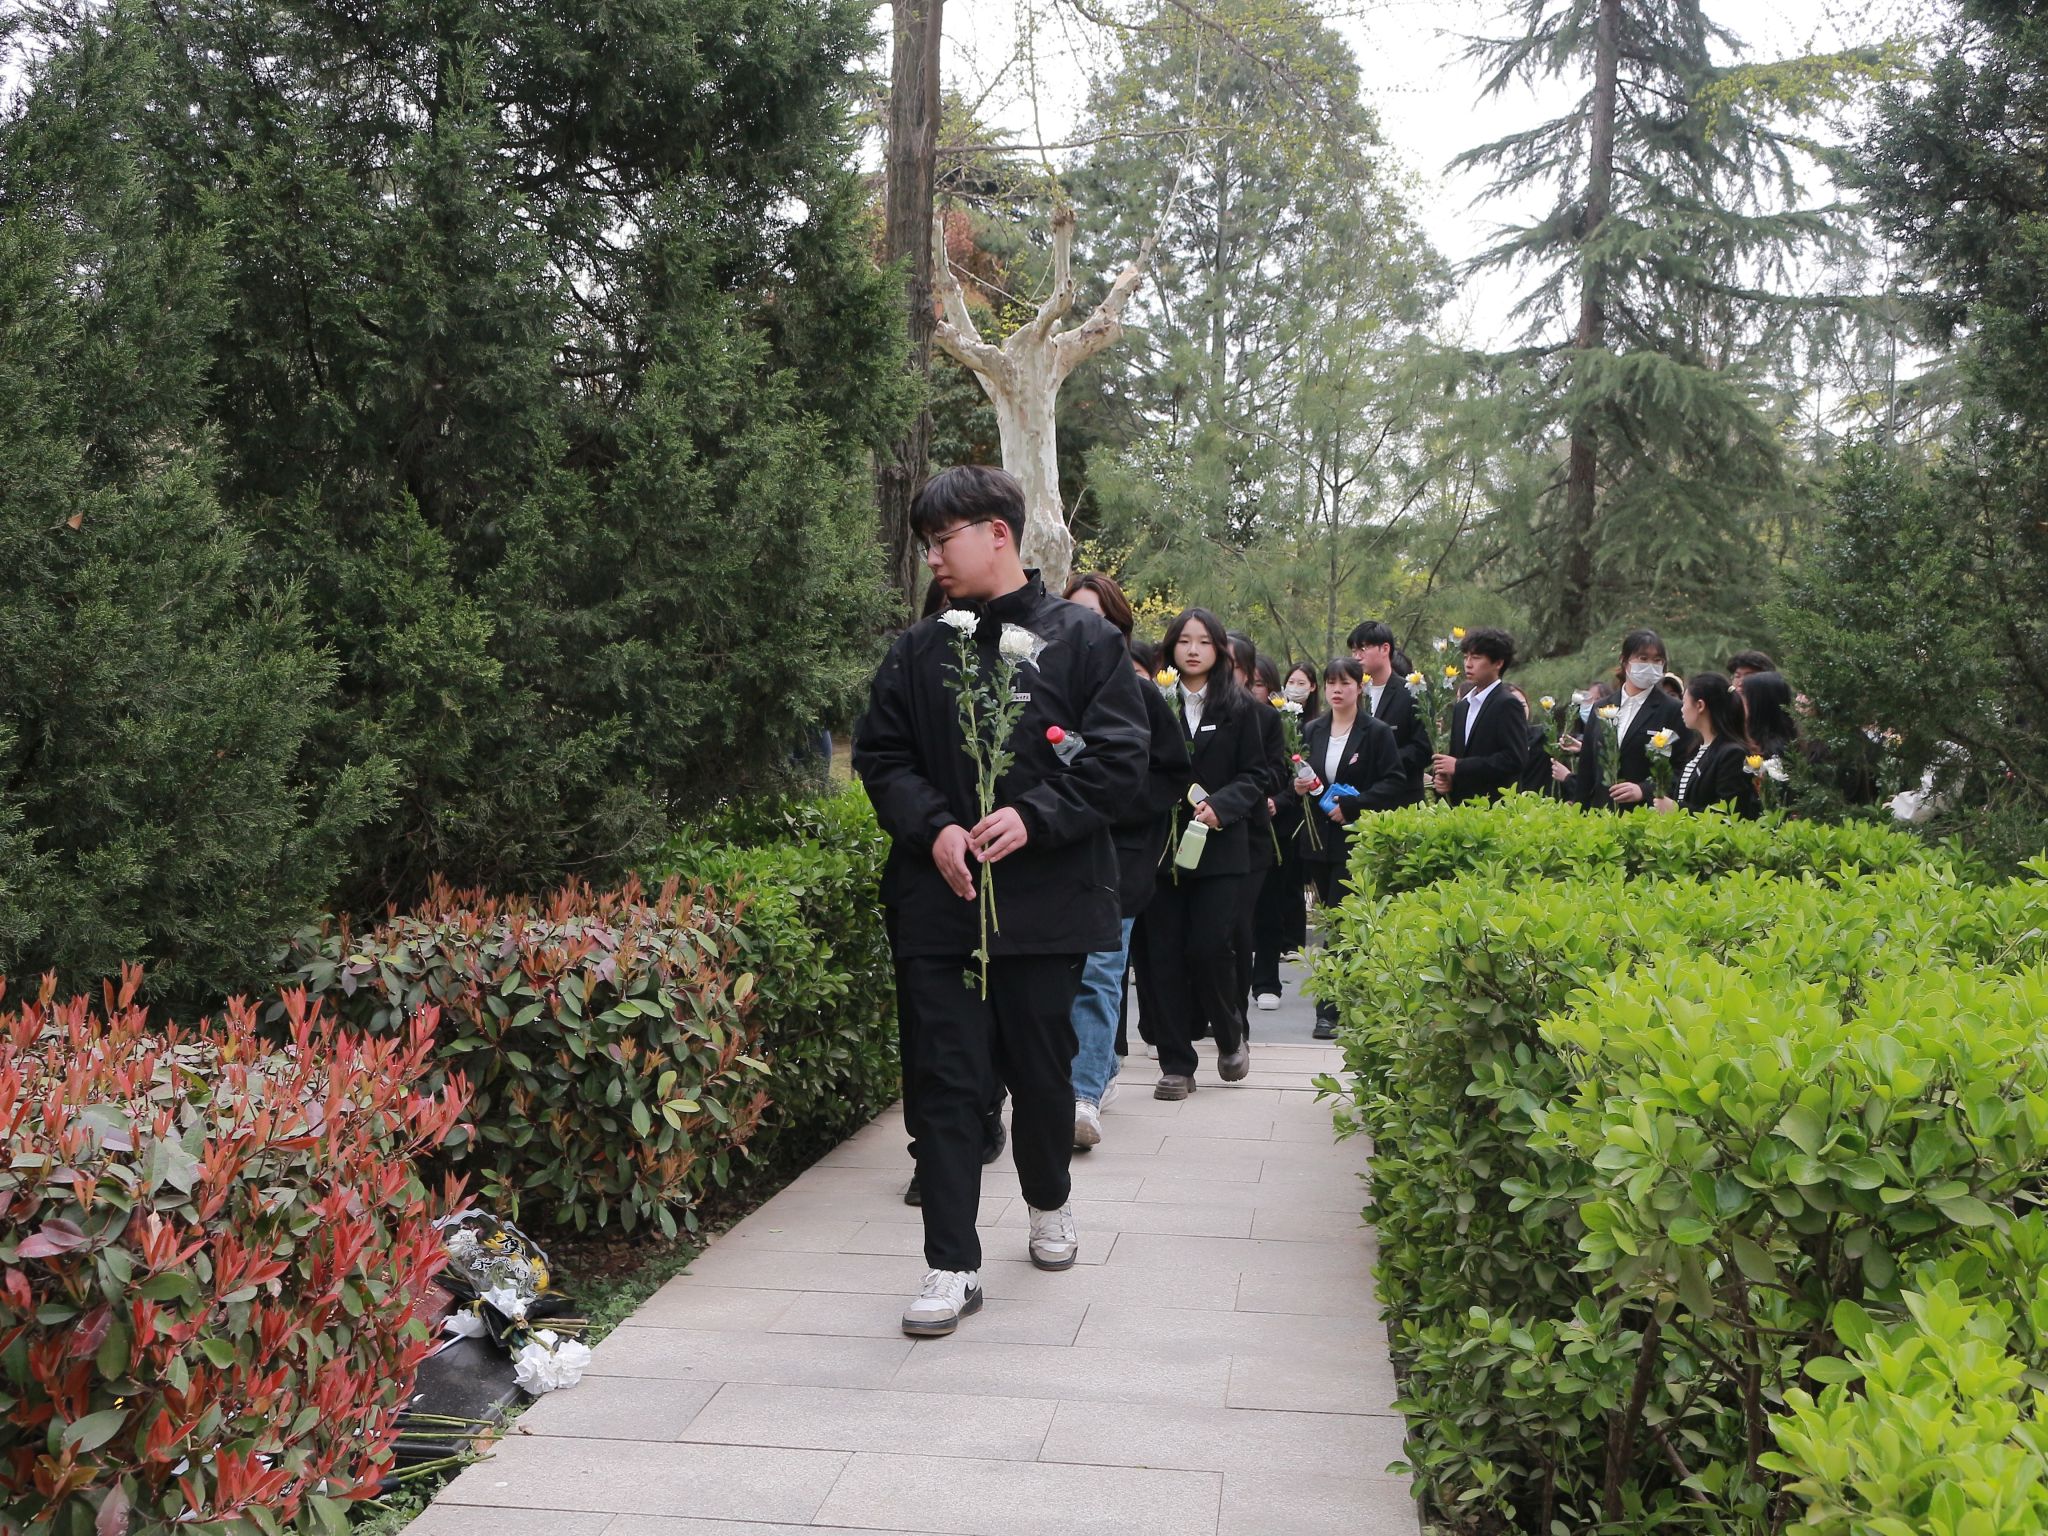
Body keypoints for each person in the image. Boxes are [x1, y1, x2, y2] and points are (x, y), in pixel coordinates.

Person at [853, 466, 1148, 1338]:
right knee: (944, 1083)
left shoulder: (1084, 642)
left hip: (1046, 907)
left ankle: (1049, 1200)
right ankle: (951, 1263)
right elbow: (883, 758)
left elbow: (1120, 760)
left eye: (942, 539)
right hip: (939, 903)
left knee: (1041, 1073)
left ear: (997, 534)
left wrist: (1035, 815)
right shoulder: (917, 651)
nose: (932, 558)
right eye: (926, 543)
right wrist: (935, 827)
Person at [1061, 572, 1192, 1152]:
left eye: (1098, 618)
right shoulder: (1045, 688)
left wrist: (1114, 802)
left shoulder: (1141, 695)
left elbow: (1171, 773)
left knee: (1099, 972)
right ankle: (1094, 1068)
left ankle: (1082, 1095)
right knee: (1059, 977)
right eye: (1074, 615)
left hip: (1121, 857)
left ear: (1119, 628)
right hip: (1056, 852)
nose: (1084, 628)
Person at [1135, 607, 1267, 1100]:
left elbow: (1256, 774)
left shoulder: (1240, 708)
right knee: (1162, 955)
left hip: (1221, 849)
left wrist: (1222, 806)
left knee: (1209, 947)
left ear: (1219, 650)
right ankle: (1176, 1064)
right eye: (1185, 641)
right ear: (1171, 647)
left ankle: (1230, 1033)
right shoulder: (1151, 699)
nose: (1193, 650)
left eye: (1204, 642)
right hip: (1161, 850)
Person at [1294, 658, 1408, 1038]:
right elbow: (1302, 778)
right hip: (1317, 841)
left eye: (1345, 683)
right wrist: (1298, 787)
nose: (1337, 690)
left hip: (1355, 840)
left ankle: (1330, 1009)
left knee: (1342, 924)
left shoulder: (1376, 732)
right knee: (1327, 919)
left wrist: (1355, 805)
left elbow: (1394, 782)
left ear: (1360, 687)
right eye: (1331, 683)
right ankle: (1339, 1000)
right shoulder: (1312, 729)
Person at [1227, 634, 1287, 1023]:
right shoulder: (1187, 710)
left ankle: (1234, 1018)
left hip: (1248, 836)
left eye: (1232, 667)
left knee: (1238, 925)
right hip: (1199, 835)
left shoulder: (1264, 717)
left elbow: (1276, 773)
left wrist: (1246, 792)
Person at [1574, 628, 1687, 811]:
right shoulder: (1602, 708)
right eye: (1643, 658)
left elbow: (1681, 770)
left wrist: (1645, 790)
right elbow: (1587, 769)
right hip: (1601, 814)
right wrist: (1580, 811)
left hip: (1646, 815)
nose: (1650, 665)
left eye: (1657, 660)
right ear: (1624, 661)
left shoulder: (1673, 710)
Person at [1249, 656, 1306, 1013]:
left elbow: (1294, 777)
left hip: (1274, 825)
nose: (1251, 689)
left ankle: (1267, 981)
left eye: (1258, 683)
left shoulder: (1284, 723)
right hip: (1234, 822)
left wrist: (1277, 802)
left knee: (1269, 907)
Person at [1430, 627, 1527, 803]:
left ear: (1498, 663)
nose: (1468, 664)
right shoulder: (1461, 707)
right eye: (1465, 657)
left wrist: (1459, 767)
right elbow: (1457, 759)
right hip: (1461, 808)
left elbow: (1514, 760)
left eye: (1476, 657)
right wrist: (1447, 780)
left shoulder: (1507, 704)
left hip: (1495, 808)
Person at [1654, 672, 1761, 819]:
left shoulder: (1732, 754)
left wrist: (1677, 809)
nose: (1681, 709)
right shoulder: (1698, 748)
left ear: (1700, 705)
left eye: (1684, 702)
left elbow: (1731, 814)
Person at [1348, 620, 1431, 805]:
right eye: (1353, 651)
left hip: (1402, 801)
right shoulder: (1354, 693)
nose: (1357, 657)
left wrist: (1379, 760)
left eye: (1363, 649)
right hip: (1359, 801)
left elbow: (1423, 749)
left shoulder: (1412, 692)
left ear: (1385, 649)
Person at [1739, 670, 1801, 763]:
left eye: (1743, 696)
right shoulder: (1746, 738)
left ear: (1758, 704)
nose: (1738, 701)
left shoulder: (1774, 752)